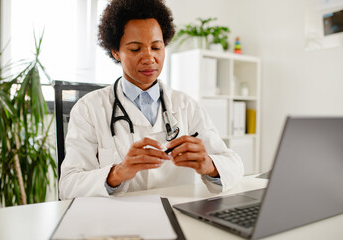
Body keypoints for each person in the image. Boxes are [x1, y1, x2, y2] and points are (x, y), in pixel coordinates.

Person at [59, 0, 244, 200]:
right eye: (135, 49)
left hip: (179, 216)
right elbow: (68, 186)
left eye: (156, 47)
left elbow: (234, 165)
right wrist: (119, 172)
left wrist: (209, 165)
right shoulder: (88, 109)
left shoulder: (187, 106)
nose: (149, 58)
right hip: (118, 223)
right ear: (115, 52)